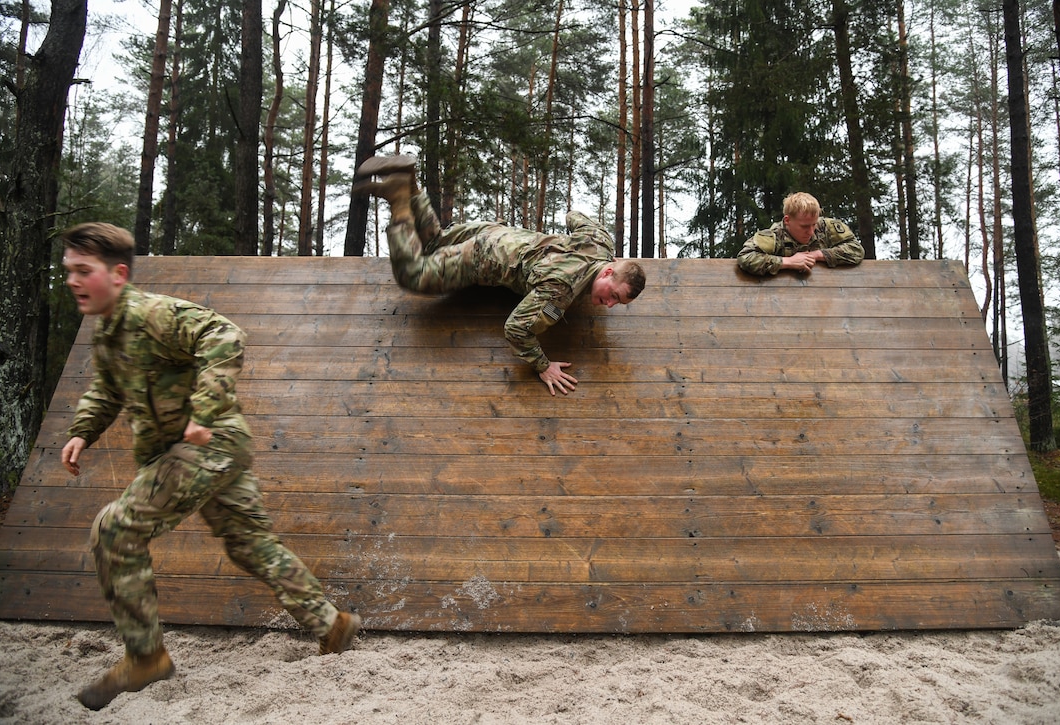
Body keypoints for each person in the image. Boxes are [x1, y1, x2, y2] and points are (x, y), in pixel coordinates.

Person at [59, 223, 362, 711]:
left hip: (207, 445)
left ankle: (145, 658)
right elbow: (107, 388)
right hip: (214, 450)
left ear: (117, 274)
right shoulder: (108, 335)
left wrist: (203, 411)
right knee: (249, 545)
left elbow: (224, 334)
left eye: (82, 271)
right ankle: (332, 624)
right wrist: (82, 430)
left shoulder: (154, 314)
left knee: (114, 531)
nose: (71, 281)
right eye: (68, 271)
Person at [353, 154, 646, 396]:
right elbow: (516, 329)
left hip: (500, 232)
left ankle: (407, 181)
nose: (609, 304)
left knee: (433, 243)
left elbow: (574, 217)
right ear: (608, 271)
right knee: (411, 275)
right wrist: (542, 365)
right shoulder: (560, 291)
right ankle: (399, 201)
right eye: (613, 295)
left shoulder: (601, 242)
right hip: (482, 257)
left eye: (616, 303)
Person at [737, 192, 864, 276]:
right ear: (787, 220)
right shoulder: (774, 236)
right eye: (804, 226)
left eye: (814, 224)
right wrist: (787, 262)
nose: (811, 231)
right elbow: (746, 257)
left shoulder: (827, 227)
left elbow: (856, 250)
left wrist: (818, 255)